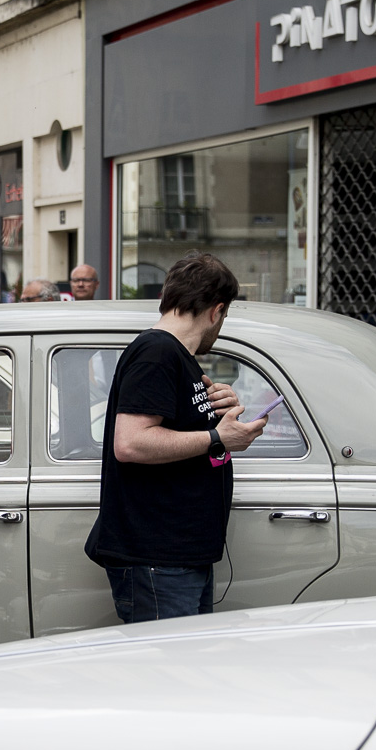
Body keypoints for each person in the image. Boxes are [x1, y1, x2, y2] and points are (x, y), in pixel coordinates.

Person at [84, 252, 264, 623]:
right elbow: (131, 443)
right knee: (167, 674)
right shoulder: (158, 353)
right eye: (224, 317)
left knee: (182, 671)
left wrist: (219, 412)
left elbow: (181, 433)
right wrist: (218, 437)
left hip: (177, 556)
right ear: (216, 311)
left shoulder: (175, 356)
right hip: (159, 559)